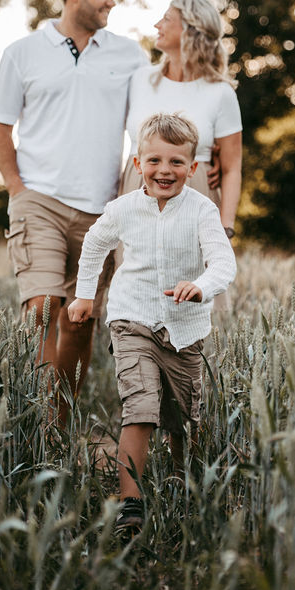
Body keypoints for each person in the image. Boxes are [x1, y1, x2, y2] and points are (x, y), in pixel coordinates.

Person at [0, 0, 147, 427]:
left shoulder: (130, 54)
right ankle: (35, 420)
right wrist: (17, 190)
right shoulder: (22, 52)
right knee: (42, 307)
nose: (111, 2)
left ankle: (58, 427)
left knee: (78, 322)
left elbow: (150, 122)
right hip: (39, 198)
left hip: (103, 209)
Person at [67, 113, 237, 537]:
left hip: (185, 328)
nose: (165, 170)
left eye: (177, 162)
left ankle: (180, 485)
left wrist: (200, 286)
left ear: (193, 168)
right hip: (132, 318)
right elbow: (95, 244)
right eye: (155, 160)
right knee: (139, 409)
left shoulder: (202, 210)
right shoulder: (122, 209)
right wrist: (85, 295)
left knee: (182, 418)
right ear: (138, 163)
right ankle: (131, 503)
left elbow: (223, 263)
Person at [121, 0, 243, 240]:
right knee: (132, 275)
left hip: (195, 194)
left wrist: (225, 227)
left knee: (192, 277)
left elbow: (231, 168)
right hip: (136, 191)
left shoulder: (220, 93)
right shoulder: (139, 80)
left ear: (190, 30)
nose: (157, 25)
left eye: (166, 19)